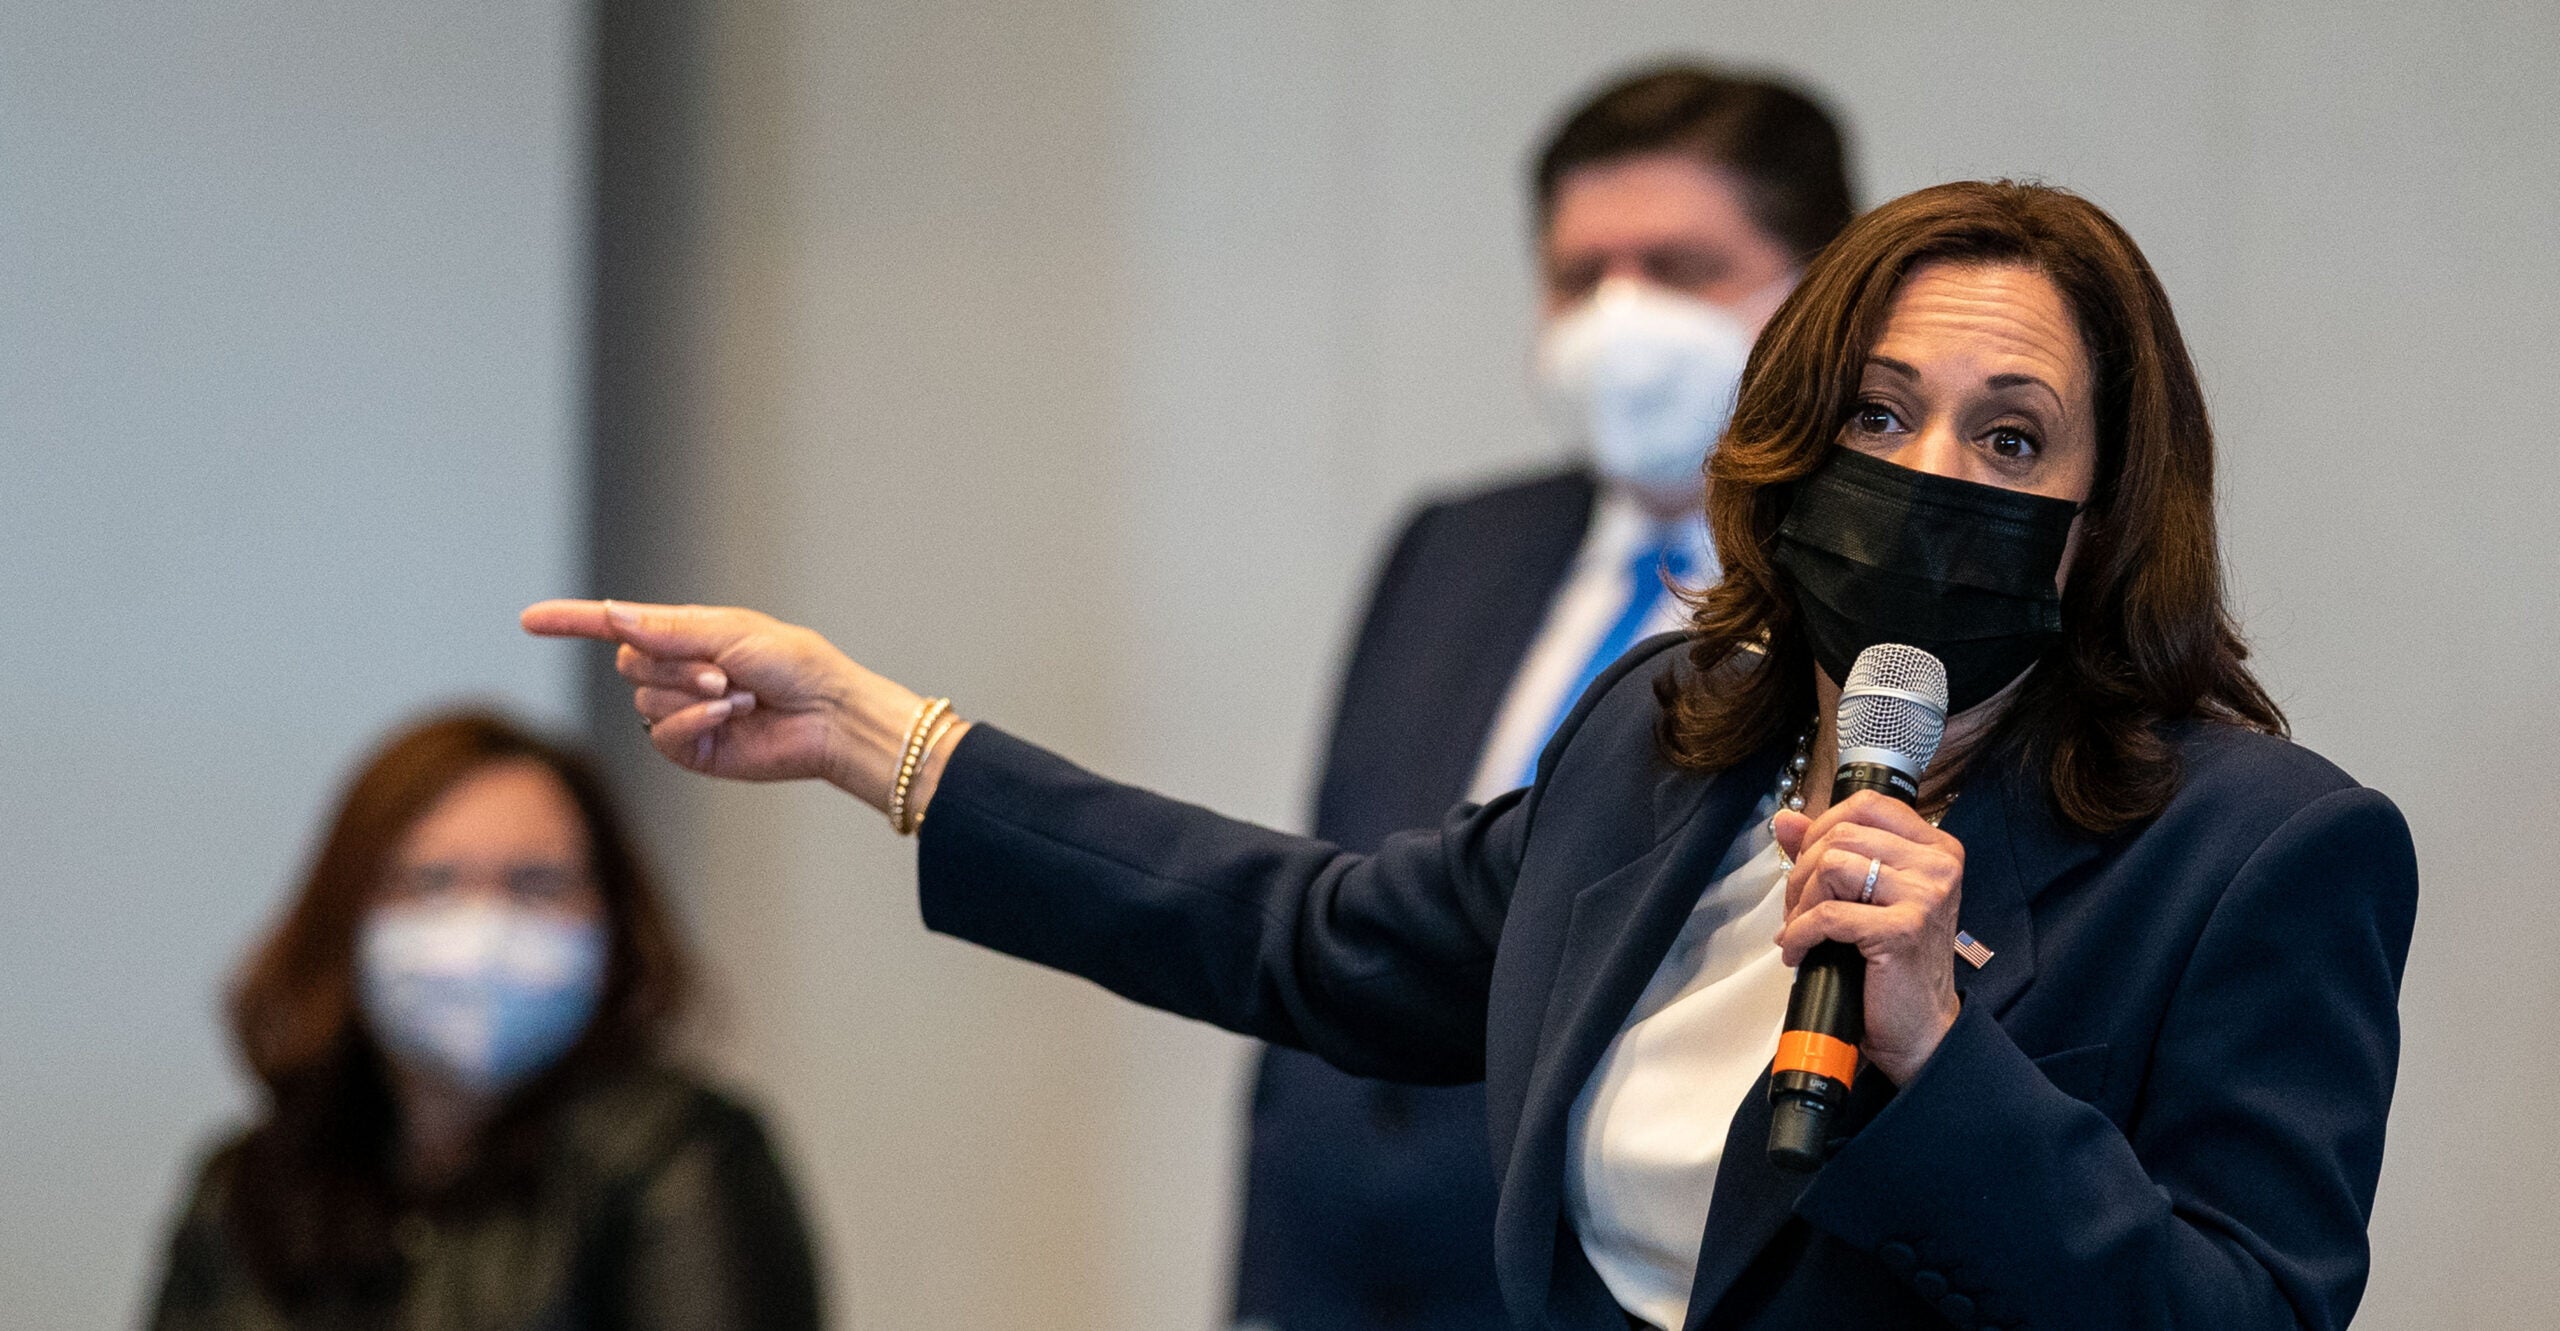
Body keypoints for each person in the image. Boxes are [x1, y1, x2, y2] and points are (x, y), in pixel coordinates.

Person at [528, 179, 2418, 1330]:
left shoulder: (2261, 850)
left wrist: (1942, 1053)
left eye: (2010, 438)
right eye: (1879, 412)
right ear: (1795, 446)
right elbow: (1312, 936)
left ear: (2105, 510)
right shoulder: (1672, 736)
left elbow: (2242, 1312)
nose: (1931, 473)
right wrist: (879, 736)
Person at [1253, 62, 1852, 1330]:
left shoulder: (1855, 614)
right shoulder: (1454, 546)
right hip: (1349, 1277)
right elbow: (1330, 917)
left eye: (1680, 268)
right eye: (1581, 276)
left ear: (1823, 294)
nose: (1620, 317)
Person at [147, 711, 823, 1331]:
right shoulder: (248, 1187)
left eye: (537, 883)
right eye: (431, 882)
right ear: (346, 916)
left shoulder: (674, 1156)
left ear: (612, 918)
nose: (481, 928)